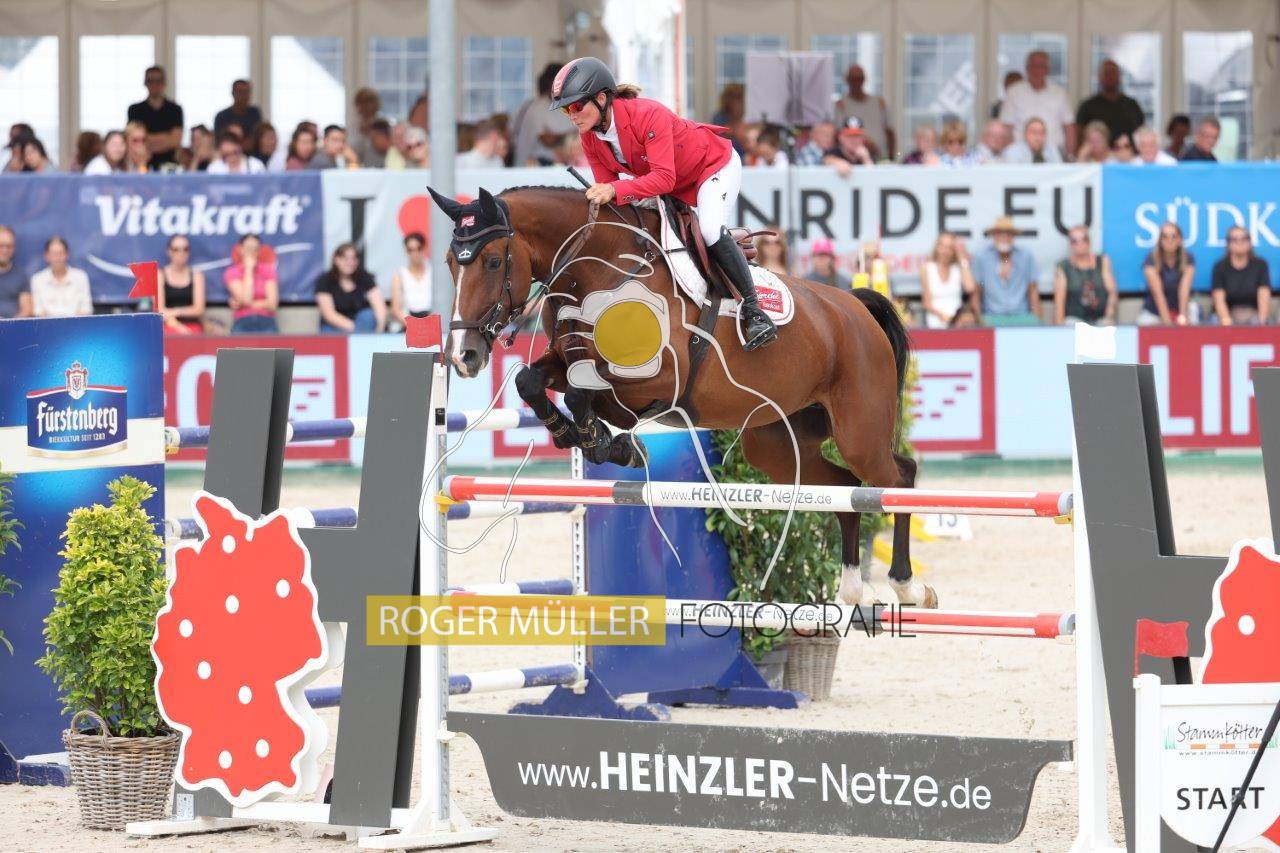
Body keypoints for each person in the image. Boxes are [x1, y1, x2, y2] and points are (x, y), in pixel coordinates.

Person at [552, 56, 776, 349]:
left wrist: (614, 190)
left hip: (712, 167)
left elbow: (662, 179)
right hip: (672, 182)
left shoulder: (648, 114)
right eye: (566, 109)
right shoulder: (590, 137)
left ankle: (755, 311)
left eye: (576, 106)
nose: (571, 115)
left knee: (709, 229)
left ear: (602, 98)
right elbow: (612, 193)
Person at [999, 51, 1075, 158]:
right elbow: (1007, 127)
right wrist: (1010, 155)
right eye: (1034, 66)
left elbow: (1069, 126)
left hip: (1055, 152)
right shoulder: (1014, 92)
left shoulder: (1060, 93)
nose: (1038, 70)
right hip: (1021, 154)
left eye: (1042, 66)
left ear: (1048, 69)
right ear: (1027, 69)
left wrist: (1070, 155)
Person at [971, 216, 1040, 325]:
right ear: (994, 236)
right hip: (991, 316)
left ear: (1013, 237)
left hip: (1021, 316)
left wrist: (1036, 320)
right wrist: (979, 320)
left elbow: (1033, 290)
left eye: (1008, 234)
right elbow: (976, 292)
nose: (1004, 237)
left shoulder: (1025, 256)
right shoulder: (982, 257)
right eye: (1000, 234)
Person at [512, 63, 576, 166]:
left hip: (556, 161)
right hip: (535, 162)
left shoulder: (567, 104)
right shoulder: (538, 108)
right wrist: (573, 133)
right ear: (552, 82)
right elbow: (548, 140)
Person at [314, 243, 387, 333]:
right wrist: (355, 330)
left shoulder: (364, 277)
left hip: (361, 325)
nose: (350, 262)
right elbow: (329, 315)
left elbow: (379, 306)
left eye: (354, 258)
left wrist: (380, 329)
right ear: (336, 259)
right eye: (345, 258)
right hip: (334, 326)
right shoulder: (324, 280)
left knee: (368, 315)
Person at [1053, 226, 1117, 325]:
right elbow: (1059, 302)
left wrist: (1109, 315)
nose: (1080, 244)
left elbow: (1112, 292)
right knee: (1070, 324)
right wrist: (1059, 328)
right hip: (1074, 320)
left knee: (1107, 324)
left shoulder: (1102, 261)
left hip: (1100, 319)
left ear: (1089, 241)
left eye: (1084, 239)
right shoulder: (1064, 267)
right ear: (1070, 244)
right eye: (1074, 241)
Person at [1211, 226, 1272, 325]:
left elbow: (1264, 295)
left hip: (1253, 313)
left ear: (1250, 243)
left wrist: (1262, 323)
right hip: (1228, 313)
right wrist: (1226, 322)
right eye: (1234, 239)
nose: (1239, 243)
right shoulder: (1220, 267)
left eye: (1244, 239)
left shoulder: (1260, 265)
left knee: (1264, 321)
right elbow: (1219, 299)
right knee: (1214, 321)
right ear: (1228, 244)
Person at [126, 66, 184, 169]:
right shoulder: (134, 109)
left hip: (170, 167)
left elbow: (175, 140)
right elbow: (133, 139)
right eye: (150, 81)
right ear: (145, 83)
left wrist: (148, 140)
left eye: (158, 81)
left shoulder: (175, 109)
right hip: (140, 165)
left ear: (164, 83)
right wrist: (166, 137)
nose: (154, 84)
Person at [834, 64, 894, 160]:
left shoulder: (879, 102)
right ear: (847, 80)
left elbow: (890, 131)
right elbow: (837, 134)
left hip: (880, 156)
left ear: (864, 79)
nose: (856, 82)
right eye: (853, 79)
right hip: (853, 158)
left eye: (859, 78)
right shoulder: (840, 105)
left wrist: (892, 156)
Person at [1139, 221, 1194, 325]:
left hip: (1180, 308)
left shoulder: (1188, 258)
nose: (1169, 241)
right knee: (1144, 322)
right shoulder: (1151, 259)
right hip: (1155, 311)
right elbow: (1158, 294)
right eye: (1165, 237)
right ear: (1160, 240)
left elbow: (1184, 290)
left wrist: (1182, 317)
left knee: (1194, 316)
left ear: (1180, 240)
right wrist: (1168, 325)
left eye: (1173, 236)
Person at [1075, 60, 1145, 142]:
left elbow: (1141, 133)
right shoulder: (1087, 106)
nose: (1110, 77)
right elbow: (1079, 136)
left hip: (1128, 149)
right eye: (1106, 73)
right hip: (1097, 150)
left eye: (1113, 73)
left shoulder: (1132, 105)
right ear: (1099, 77)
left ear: (1119, 77)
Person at [920, 232, 977, 328]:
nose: (946, 251)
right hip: (935, 320)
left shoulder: (958, 269)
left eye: (950, 248)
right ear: (937, 247)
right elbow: (926, 303)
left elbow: (970, 288)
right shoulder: (926, 268)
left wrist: (961, 258)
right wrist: (943, 316)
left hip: (958, 322)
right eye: (943, 246)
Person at [224, 234, 279, 333]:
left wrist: (244, 304)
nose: (252, 252)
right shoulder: (232, 272)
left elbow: (272, 305)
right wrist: (248, 270)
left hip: (266, 320)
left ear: (259, 251)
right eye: (248, 248)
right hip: (242, 320)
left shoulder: (268, 270)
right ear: (240, 249)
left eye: (255, 249)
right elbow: (246, 299)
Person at [156, 235, 207, 334]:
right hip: (168, 326)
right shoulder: (160, 275)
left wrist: (173, 311)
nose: (181, 253)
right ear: (169, 251)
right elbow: (159, 311)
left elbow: (199, 310)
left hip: (193, 326)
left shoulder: (197, 275)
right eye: (176, 249)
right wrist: (178, 327)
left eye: (185, 249)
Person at [31, 236, 92, 317]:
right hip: (48, 324)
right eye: (53, 254)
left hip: (76, 323)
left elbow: (86, 309)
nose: (57, 258)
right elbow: (38, 311)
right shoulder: (37, 280)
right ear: (46, 256)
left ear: (67, 255)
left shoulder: (81, 277)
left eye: (60, 253)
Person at [389, 232, 433, 328]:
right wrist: (415, 326)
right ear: (406, 251)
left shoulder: (434, 272)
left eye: (418, 248)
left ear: (424, 248)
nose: (414, 253)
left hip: (432, 322)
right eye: (410, 250)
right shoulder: (399, 275)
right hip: (406, 325)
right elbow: (396, 309)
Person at [0, 225, 32, 318]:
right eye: (1, 246)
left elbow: (27, 309)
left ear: (14, 248)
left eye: (9, 246)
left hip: (15, 325)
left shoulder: (21, 276)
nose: (5, 250)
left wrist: (10, 324)